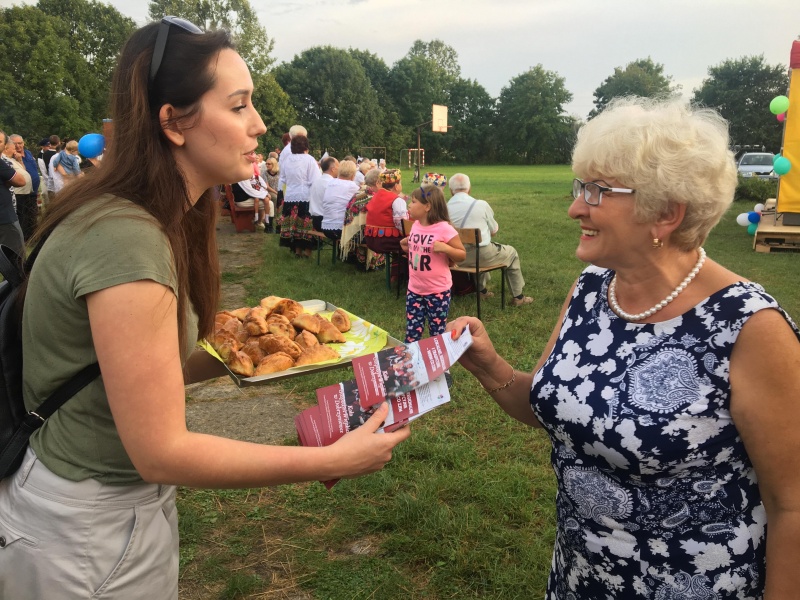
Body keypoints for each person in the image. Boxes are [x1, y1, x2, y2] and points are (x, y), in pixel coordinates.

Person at [0, 19, 410, 600]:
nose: (259, 124)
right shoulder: (126, 238)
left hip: (106, 513)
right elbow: (161, 451)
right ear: (173, 122)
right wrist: (327, 460)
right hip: (85, 527)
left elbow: (142, 371)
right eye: (239, 105)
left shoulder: (149, 216)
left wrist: (265, 353)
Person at [447, 97, 800, 598]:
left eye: (596, 191)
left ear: (666, 213)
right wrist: (488, 365)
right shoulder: (593, 287)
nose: (575, 207)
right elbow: (555, 408)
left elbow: (793, 505)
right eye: (580, 187)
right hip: (579, 576)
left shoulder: (750, 327)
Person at [447, 172, 533, 307]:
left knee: (479, 252)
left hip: (455, 258)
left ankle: (482, 291)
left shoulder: (444, 207)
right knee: (511, 253)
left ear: (451, 190)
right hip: (481, 255)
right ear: (469, 188)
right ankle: (518, 297)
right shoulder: (481, 205)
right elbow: (494, 231)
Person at [400, 185, 465, 345]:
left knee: (437, 333)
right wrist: (407, 245)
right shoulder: (416, 225)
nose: (409, 205)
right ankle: (410, 359)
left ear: (427, 206)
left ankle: (439, 360)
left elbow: (462, 255)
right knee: (412, 332)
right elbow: (419, 250)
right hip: (415, 289)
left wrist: (446, 248)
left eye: (413, 201)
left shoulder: (444, 229)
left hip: (437, 292)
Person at [277, 134, 320, 258]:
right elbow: (315, 180)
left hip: (290, 195)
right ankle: (307, 251)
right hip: (305, 195)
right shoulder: (309, 160)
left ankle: (297, 250)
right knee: (306, 224)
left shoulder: (287, 160)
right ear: (306, 146)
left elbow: (283, 179)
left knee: (294, 224)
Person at [364, 168, 408, 281]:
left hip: (370, 239)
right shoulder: (397, 200)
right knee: (412, 242)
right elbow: (401, 224)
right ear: (396, 186)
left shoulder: (375, 196)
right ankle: (404, 275)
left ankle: (396, 274)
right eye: (400, 183)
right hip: (386, 240)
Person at [0, 130, 27, 256]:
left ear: (5, 145)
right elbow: (21, 181)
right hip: (4, 219)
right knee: (15, 256)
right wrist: (8, 181)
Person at [9, 134, 41, 241]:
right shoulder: (11, 157)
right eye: (15, 144)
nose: (18, 146)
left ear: (23, 143)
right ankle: (25, 238)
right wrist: (19, 160)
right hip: (21, 192)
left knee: (33, 214)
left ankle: (33, 236)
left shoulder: (28, 153)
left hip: (33, 190)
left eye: (20, 143)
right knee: (23, 216)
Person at [320, 159, 359, 241]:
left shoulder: (331, 183)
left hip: (325, 227)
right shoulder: (352, 186)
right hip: (340, 229)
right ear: (353, 175)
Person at [231, 166, 270, 231]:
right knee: (269, 203)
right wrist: (265, 194)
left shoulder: (237, 178)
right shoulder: (243, 179)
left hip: (240, 199)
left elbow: (251, 191)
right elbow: (250, 191)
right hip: (242, 201)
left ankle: (260, 220)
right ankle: (262, 223)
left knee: (264, 200)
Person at [308, 155, 338, 231]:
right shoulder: (332, 183)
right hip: (328, 222)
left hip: (315, 221)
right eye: (338, 166)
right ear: (333, 169)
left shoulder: (316, 181)